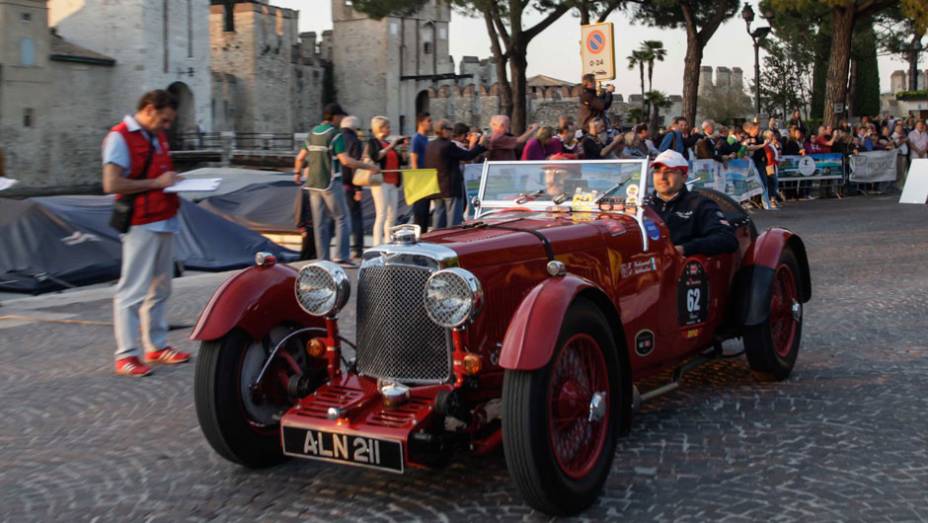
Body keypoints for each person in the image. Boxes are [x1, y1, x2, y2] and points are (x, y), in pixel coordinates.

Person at [102, 89, 190, 377]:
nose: (167, 127)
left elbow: (158, 173)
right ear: (150, 109)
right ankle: (126, 354)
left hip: (164, 218)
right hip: (141, 222)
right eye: (164, 120)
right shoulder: (120, 137)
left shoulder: (156, 135)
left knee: (161, 288)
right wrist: (156, 182)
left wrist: (173, 180)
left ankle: (156, 345)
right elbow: (111, 184)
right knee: (133, 289)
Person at [294, 103, 379, 265]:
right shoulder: (335, 135)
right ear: (334, 117)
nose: (342, 119)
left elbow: (300, 157)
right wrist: (369, 167)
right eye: (341, 116)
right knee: (342, 218)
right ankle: (341, 256)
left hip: (313, 184)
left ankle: (323, 259)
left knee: (320, 223)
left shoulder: (313, 133)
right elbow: (345, 161)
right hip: (331, 183)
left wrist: (298, 173)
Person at [645, 150, 738, 257]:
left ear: (684, 177)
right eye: (657, 171)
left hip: (681, 267)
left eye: (669, 171)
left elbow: (727, 239)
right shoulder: (642, 205)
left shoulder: (700, 204)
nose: (662, 177)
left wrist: (685, 248)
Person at [426, 119, 486, 229]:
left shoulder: (430, 145)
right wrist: (481, 144)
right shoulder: (448, 146)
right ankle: (452, 244)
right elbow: (467, 156)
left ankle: (436, 240)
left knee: (439, 219)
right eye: (450, 129)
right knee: (453, 221)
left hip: (436, 187)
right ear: (443, 130)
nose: (452, 132)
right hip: (451, 187)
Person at [367, 115, 404, 246]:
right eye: (387, 127)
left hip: (392, 182)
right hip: (380, 182)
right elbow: (376, 157)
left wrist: (401, 150)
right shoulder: (373, 142)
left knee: (392, 214)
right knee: (381, 214)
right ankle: (377, 244)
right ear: (380, 128)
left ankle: (388, 240)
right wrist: (391, 146)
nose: (389, 129)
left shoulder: (388, 143)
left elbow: (400, 161)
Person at [339, 116, 365, 259]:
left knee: (339, 219)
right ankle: (357, 249)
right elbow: (356, 166)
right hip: (350, 184)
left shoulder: (336, 138)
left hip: (336, 184)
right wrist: (358, 189)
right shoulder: (355, 141)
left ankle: (341, 250)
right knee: (355, 217)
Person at [409, 112, 433, 233]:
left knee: (425, 211)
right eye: (428, 121)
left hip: (427, 178)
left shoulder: (426, 139)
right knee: (419, 211)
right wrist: (417, 180)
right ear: (421, 122)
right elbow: (414, 159)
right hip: (420, 179)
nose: (431, 123)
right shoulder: (416, 138)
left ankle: (423, 235)